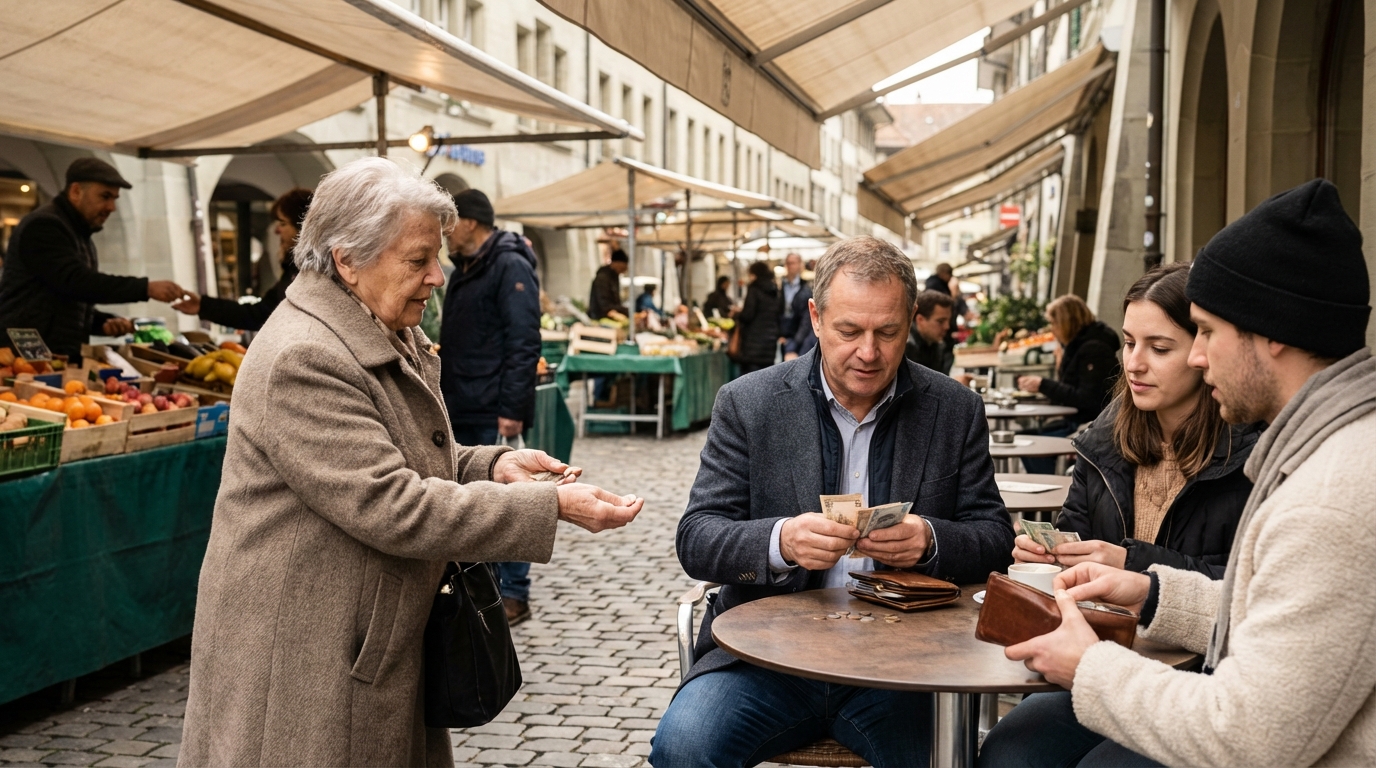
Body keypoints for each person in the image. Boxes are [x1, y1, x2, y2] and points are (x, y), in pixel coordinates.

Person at [178, 158, 644, 766]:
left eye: (438, 256)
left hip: (364, 631)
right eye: (419, 259)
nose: (438, 276)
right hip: (304, 647)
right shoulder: (305, 356)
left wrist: (492, 466)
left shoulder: (378, 323)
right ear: (347, 258)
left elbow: (413, 453)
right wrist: (546, 504)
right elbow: (390, 503)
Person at [981, 178, 1376, 768]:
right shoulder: (1328, 451)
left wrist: (1090, 667)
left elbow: (1248, 737)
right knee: (1020, 748)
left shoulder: (1328, 499)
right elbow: (1279, 612)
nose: (1196, 355)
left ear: (1270, 333)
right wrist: (1151, 589)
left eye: (1208, 333)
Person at [652, 236, 1014, 768]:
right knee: (683, 749)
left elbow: (995, 538)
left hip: (904, 668)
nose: (868, 353)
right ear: (816, 318)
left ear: (911, 321)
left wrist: (930, 540)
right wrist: (782, 541)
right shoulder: (749, 402)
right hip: (764, 658)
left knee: (934, 760)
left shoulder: (953, 409)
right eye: (849, 331)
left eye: (887, 333)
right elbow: (697, 537)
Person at [1013, 264, 1259, 579]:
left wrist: (1133, 564)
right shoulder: (1102, 438)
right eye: (1129, 343)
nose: (1134, 364)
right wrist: (1047, 559)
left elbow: (1256, 588)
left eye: (1159, 349)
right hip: (1094, 627)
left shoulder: (1250, 452)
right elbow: (1075, 545)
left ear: (1204, 350)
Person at [436, 188, 544, 626]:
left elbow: (523, 341)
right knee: (481, 501)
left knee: (514, 498)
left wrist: (512, 407)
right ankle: (489, 588)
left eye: (450, 223)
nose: (445, 232)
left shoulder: (509, 264)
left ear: (471, 223)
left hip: (493, 403)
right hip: (464, 397)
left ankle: (515, 592)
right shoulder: (468, 267)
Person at [0, 158, 185, 359]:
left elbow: (62, 299)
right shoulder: (45, 226)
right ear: (76, 191)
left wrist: (101, 323)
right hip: (25, 357)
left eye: (115, 198)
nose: (111, 207)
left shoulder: (79, 234)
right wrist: (146, 288)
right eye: (105, 196)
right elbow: (74, 282)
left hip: (52, 355)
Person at [172, 188, 312, 330]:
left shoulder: (316, 272)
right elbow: (260, 313)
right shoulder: (294, 270)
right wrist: (203, 306)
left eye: (283, 223)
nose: (277, 231)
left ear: (303, 227)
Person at [1017, 295, 1121, 473]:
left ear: (1066, 322)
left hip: (1088, 426)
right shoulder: (1076, 347)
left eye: (1053, 323)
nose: (1052, 329)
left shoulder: (1093, 349)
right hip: (1074, 422)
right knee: (1023, 438)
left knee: (1029, 446)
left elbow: (1086, 398)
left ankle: (1049, 486)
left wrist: (1044, 384)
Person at [734, 261, 782, 375]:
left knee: (749, 383)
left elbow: (747, 315)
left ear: (754, 274)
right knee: (766, 382)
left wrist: (737, 315)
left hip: (752, 346)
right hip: (769, 345)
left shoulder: (754, 289)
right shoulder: (774, 290)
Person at [905, 289, 954, 374]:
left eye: (948, 321)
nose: (947, 327)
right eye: (940, 321)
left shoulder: (936, 344)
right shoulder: (906, 349)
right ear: (920, 320)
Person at [588, 248, 628, 320]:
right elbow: (604, 305)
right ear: (616, 263)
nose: (624, 270)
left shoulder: (613, 277)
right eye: (623, 267)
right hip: (600, 318)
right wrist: (625, 311)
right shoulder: (603, 278)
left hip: (609, 316)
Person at [779, 252, 810, 341]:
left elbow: (805, 319)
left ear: (800, 265)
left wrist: (797, 340)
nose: (790, 266)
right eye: (788, 263)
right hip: (782, 334)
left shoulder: (805, 288)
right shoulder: (780, 286)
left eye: (793, 263)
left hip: (797, 335)